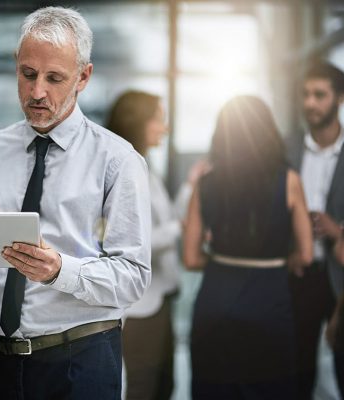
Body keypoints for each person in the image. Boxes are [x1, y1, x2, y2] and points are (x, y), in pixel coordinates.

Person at [0, 6, 151, 399]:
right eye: (28, 74)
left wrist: (60, 270)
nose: (37, 92)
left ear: (83, 77)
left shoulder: (118, 161)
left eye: (55, 78)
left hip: (83, 361)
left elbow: (134, 279)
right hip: (1, 363)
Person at [183, 96, 313, 399]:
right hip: (269, 305)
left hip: (215, 304)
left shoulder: (205, 183)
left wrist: (221, 261)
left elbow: (190, 258)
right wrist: (285, 259)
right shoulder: (289, 180)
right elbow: (306, 254)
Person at [106, 90, 179, 400]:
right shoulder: (123, 171)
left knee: (162, 387)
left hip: (157, 298)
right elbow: (137, 241)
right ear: (138, 123)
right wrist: (182, 227)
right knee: (142, 389)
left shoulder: (145, 167)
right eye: (159, 120)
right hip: (139, 307)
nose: (164, 128)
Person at [285, 61, 344, 399]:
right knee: (297, 371)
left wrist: (339, 229)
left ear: (339, 99)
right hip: (300, 274)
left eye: (320, 95)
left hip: (341, 276)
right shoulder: (287, 149)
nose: (310, 103)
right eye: (306, 95)